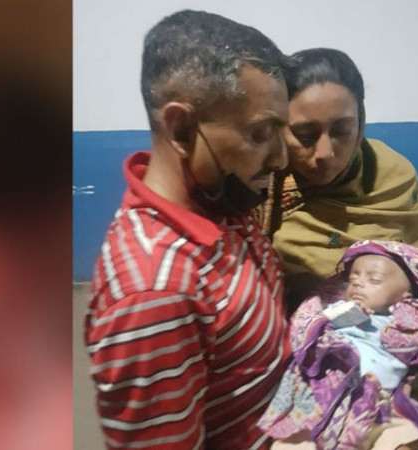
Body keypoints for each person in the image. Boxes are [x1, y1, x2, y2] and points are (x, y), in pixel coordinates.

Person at [84, 10, 292, 449]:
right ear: (180, 129)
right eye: (260, 134)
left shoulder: (222, 202)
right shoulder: (155, 295)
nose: (280, 160)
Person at [258, 240, 418, 450]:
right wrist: (346, 314)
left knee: (403, 441)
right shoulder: (336, 314)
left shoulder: (410, 336)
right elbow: (308, 331)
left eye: (373, 279)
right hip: (323, 406)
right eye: (353, 278)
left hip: (381, 413)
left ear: (406, 295)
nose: (358, 283)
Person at [259, 48, 418, 313]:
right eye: (305, 134)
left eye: (341, 131)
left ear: (360, 124)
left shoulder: (393, 175)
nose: (325, 153)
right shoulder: (261, 185)